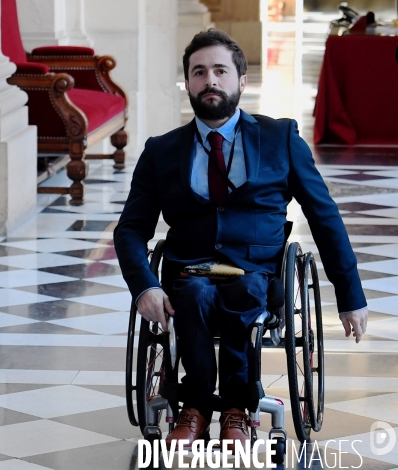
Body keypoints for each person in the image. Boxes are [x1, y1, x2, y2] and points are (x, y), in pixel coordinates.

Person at [114, 29, 368, 451]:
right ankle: (193, 406)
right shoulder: (161, 150)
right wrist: (144, 285)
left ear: (241, 81)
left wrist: (351, 294)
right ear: (188, 84)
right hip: (188, 270)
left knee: (246, 290)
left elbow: (324, 216)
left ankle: (237, 407)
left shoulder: (281, 138)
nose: (210, 80)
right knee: (193, 292)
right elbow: (130, 229)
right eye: (199, 72)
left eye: (220, 70)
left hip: (258, 271)